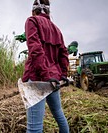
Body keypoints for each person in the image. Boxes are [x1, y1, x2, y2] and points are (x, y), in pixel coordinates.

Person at [22, 0, 70, 132]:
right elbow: (63, 53)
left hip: (38, 78)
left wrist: (45, 75)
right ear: (48, 11)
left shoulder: (32, 21)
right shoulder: (56, 29)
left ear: (33, 10)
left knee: (34, 127)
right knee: (59, 114)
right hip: (54, 79)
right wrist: (63, 74)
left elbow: (36, 49)